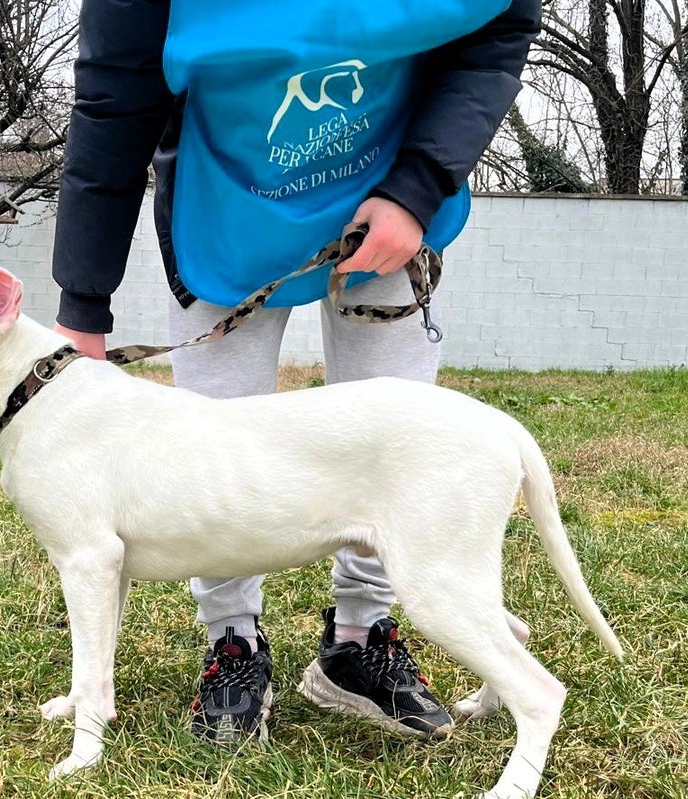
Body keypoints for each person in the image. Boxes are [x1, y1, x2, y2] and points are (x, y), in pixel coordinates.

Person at [50, 0, 541, 743]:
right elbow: (116, 99)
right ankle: (232, 642)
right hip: (228, 211)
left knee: (398, 435)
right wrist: (82, 304)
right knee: (208, 454)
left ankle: (358, 639)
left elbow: (497, 27)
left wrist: (417, 188)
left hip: (389, 187)